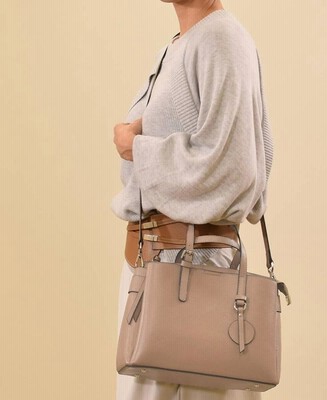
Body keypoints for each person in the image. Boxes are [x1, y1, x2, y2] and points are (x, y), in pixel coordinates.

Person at [111, 0, 273, 399]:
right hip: (155, 263)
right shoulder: (181, 43)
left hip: (192, 269)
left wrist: (138, 147)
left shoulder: (221, 39)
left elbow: (235, 166)